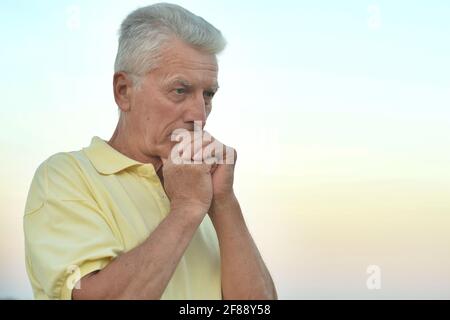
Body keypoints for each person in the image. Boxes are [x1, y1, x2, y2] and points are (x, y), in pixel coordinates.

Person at [24, 3, 277, 300]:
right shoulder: (65, 177)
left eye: (208, 94)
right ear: (124, 91)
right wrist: (185, 209)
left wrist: (224, 202)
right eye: (180, 90)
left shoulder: (203, 190)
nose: (200, 114)